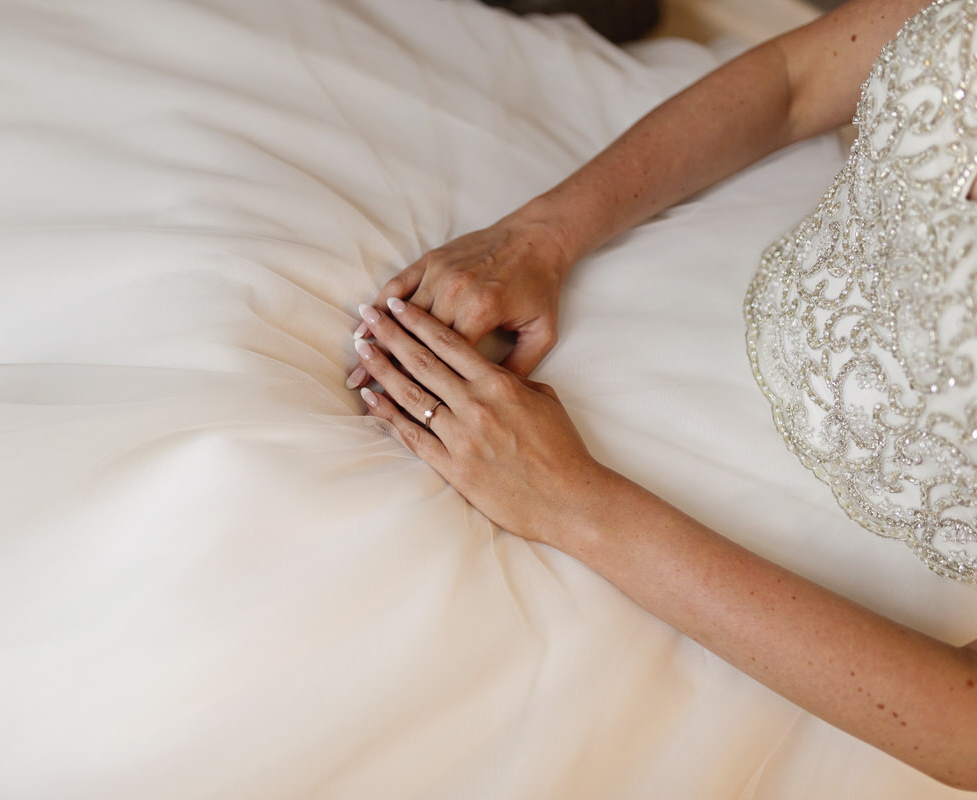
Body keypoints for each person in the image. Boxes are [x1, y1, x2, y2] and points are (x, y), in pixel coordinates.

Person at [346, 0, 977, 789]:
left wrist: (575, 503)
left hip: (792, 599)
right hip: (707, 273)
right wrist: (543, 235)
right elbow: (795, 81)